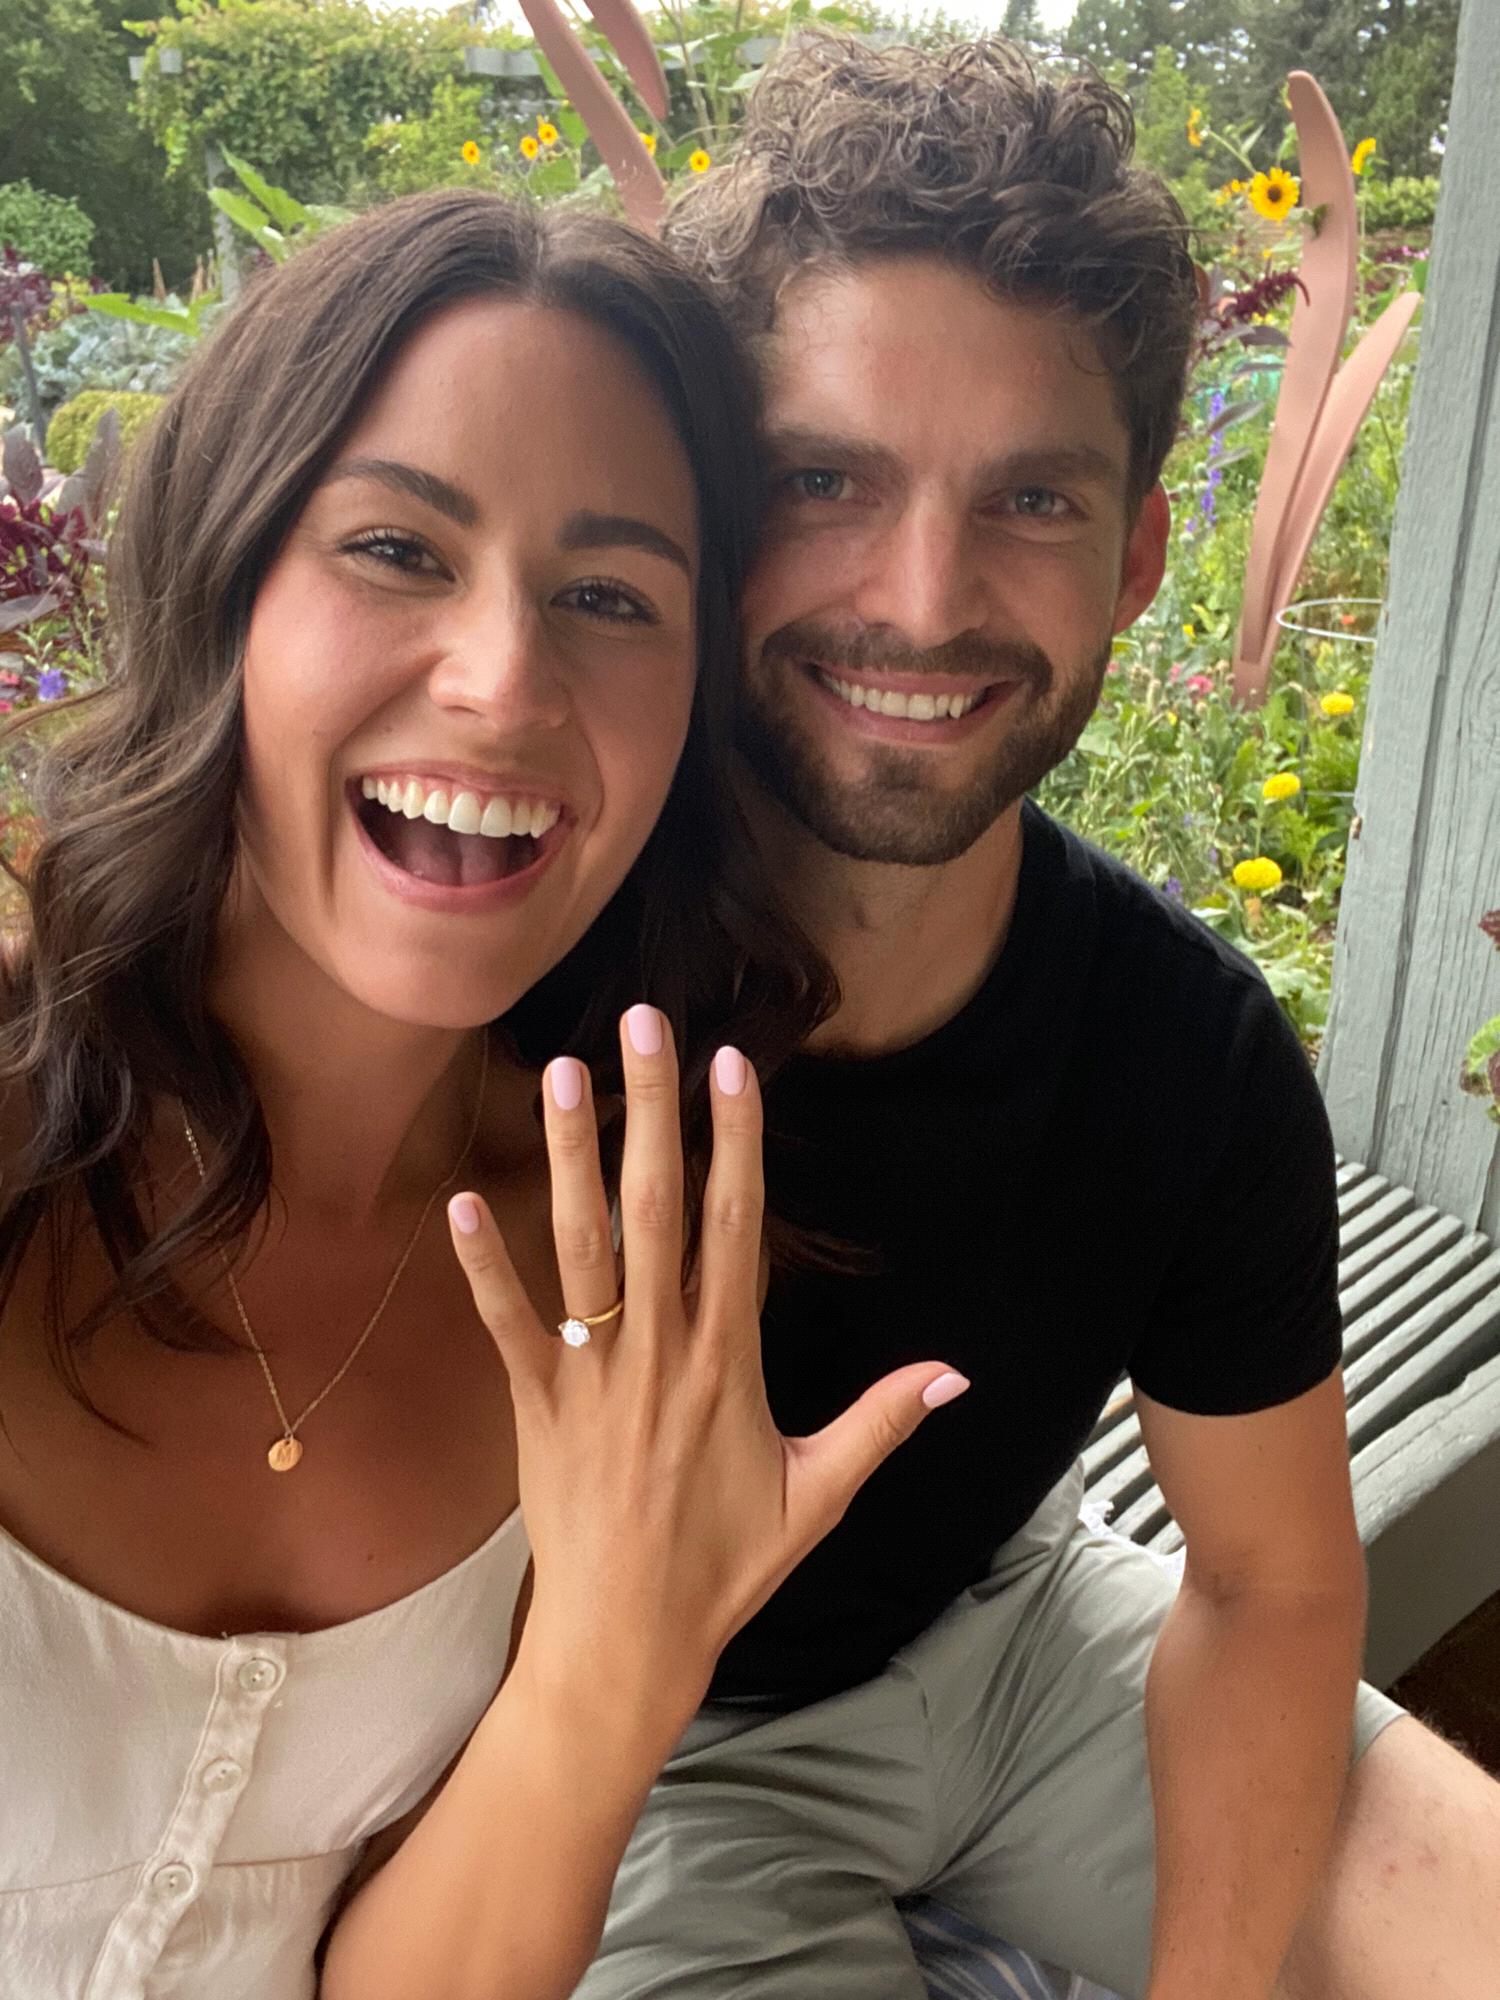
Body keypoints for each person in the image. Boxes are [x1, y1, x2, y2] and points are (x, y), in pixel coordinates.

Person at [558, 33, 1500, 2000]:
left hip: (1022, 1627)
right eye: (828, 478)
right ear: (717, 510)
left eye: (1033, 501)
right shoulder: (548, 976)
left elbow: (1265, 1576)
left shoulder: (1188, 1049)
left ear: (1139, 557)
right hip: (647, 1746)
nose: (924, 598)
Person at [0, 189, 967, 2000]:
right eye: (396, 549)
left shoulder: (624, 1285)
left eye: (610, 597)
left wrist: (619, 1660)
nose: (505, 681)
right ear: (227, 577)